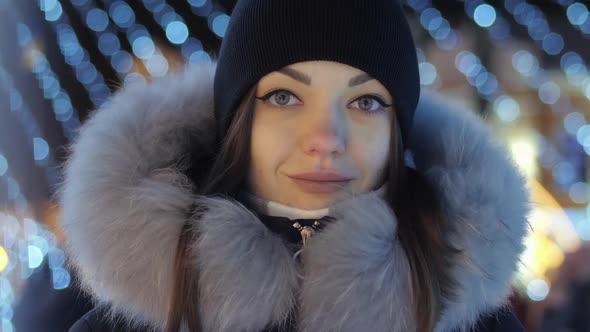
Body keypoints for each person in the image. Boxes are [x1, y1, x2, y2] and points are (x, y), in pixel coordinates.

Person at [60, 0, 531, 331]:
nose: (326, 140)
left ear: (398, 131)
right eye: (285, 97)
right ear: (237, 119)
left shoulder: (476, 323)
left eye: (365, 102)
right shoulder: (122, 326)